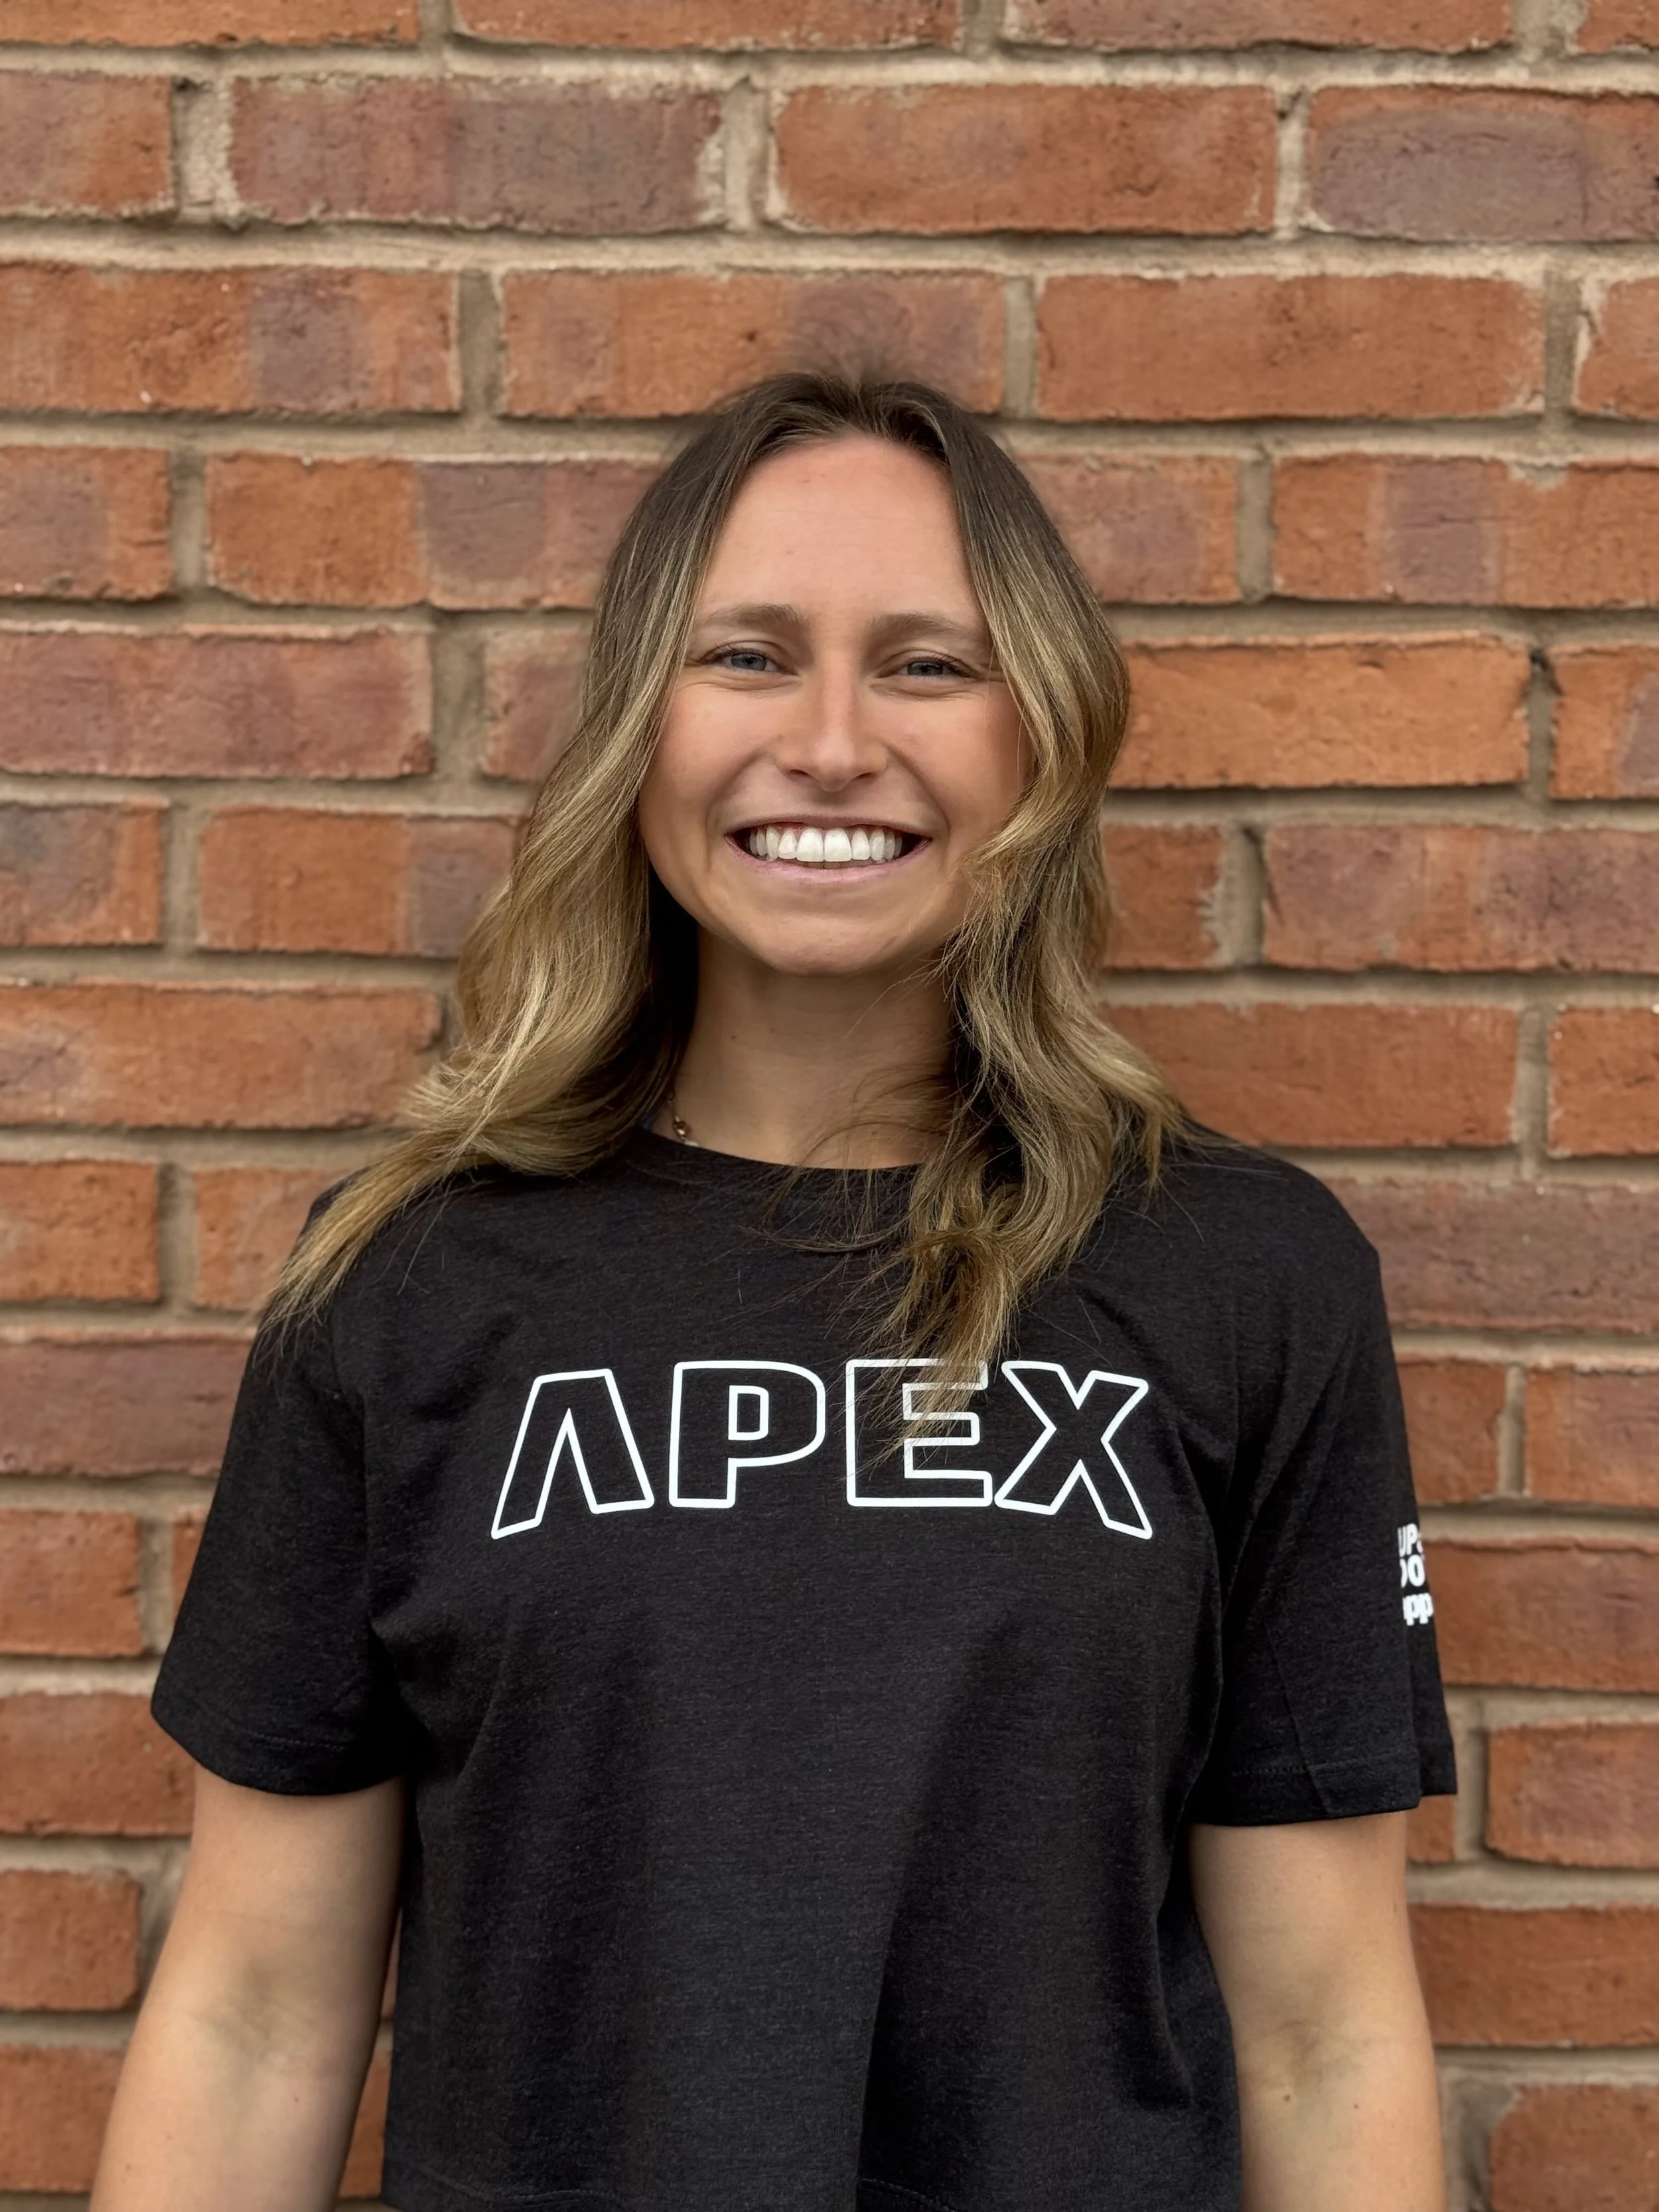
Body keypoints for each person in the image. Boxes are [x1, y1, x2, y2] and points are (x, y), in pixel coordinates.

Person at [92, 374, 1455, 2212]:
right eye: (743, 654)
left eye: (922, 664)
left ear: (1036, 738)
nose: (828, 742)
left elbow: (1326, 2027)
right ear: (636, 726)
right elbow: (255, 2007)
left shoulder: (1238, 1275)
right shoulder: (409, 1278)